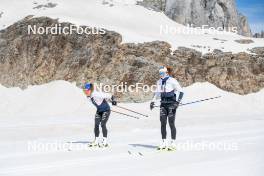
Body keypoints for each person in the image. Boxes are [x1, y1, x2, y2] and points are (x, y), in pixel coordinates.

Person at [150, 66, 184, 150]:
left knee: (171, 123)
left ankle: (173, 143)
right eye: (160, 73)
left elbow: (181, 91)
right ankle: (164, 142)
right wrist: (152, 101)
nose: (161, 75)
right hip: (163, 104)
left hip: (172, 104)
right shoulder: (159, 82)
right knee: (162, 123)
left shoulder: (172, 80)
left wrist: (177, 102)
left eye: (162, 73)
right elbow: (157, 93)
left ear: (166, 73)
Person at [83, 82, 117, 147]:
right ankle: (96, 141)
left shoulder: (96, 94)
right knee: (96, 124)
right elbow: (99, 102)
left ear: (90, 90)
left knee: (103, 124)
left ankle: (105, 142)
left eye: (87, 90)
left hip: (106, 110)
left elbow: (109, 96)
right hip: (99, 111)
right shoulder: (88, 97)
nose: (86, 92)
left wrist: (113, 100)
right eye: (85, 90)